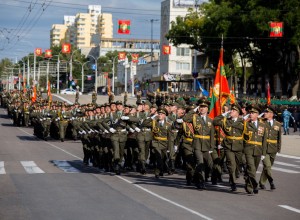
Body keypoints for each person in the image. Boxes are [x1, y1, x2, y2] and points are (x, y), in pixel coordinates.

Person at [183, 98, 214, 189]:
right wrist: (194, 110)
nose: (202, 108)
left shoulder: (210, 120)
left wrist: (212, 147)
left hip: (206, 145)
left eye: (204, 107)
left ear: (207, 109)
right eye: (201, 107)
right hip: (197, 144)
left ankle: (196, 178)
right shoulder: (194, 117)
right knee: (200, 162)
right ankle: (202, 181)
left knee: (207, 164)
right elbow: (185, 118)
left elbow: (212, 134)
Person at [213, 103, 244, 191]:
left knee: (238, 165)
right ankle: (233, 182)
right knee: (231, 165)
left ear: (238, 113)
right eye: (231, 110)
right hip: (228, 146)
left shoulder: (243, 123)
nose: (231, 111)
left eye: (233, 111)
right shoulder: (226, 121)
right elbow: (215, 121)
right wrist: (223, 114)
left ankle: (234, 176)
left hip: (239, 147)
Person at [243, 104, 267, 194]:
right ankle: (254, 185)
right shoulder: (246, 124)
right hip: (248, 149)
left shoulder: (263, 125)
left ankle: (248, 185)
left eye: (253, 113)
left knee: (254, 169)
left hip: (258, 150)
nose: (251, 114)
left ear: (257, 114)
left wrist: (263, 153)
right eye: (250, 113)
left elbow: (264, 140)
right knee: (251, 169)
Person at [259, 105, 281, 190]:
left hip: (273, 149)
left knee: (267, 167)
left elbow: (279, 138)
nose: (265, 113)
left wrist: (278, 149)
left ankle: (261, 182)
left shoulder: (278, 124)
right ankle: (271, 181)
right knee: (267, 166)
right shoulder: (262, 123)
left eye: (267, 112)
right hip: (264, 149)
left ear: (271, 114)